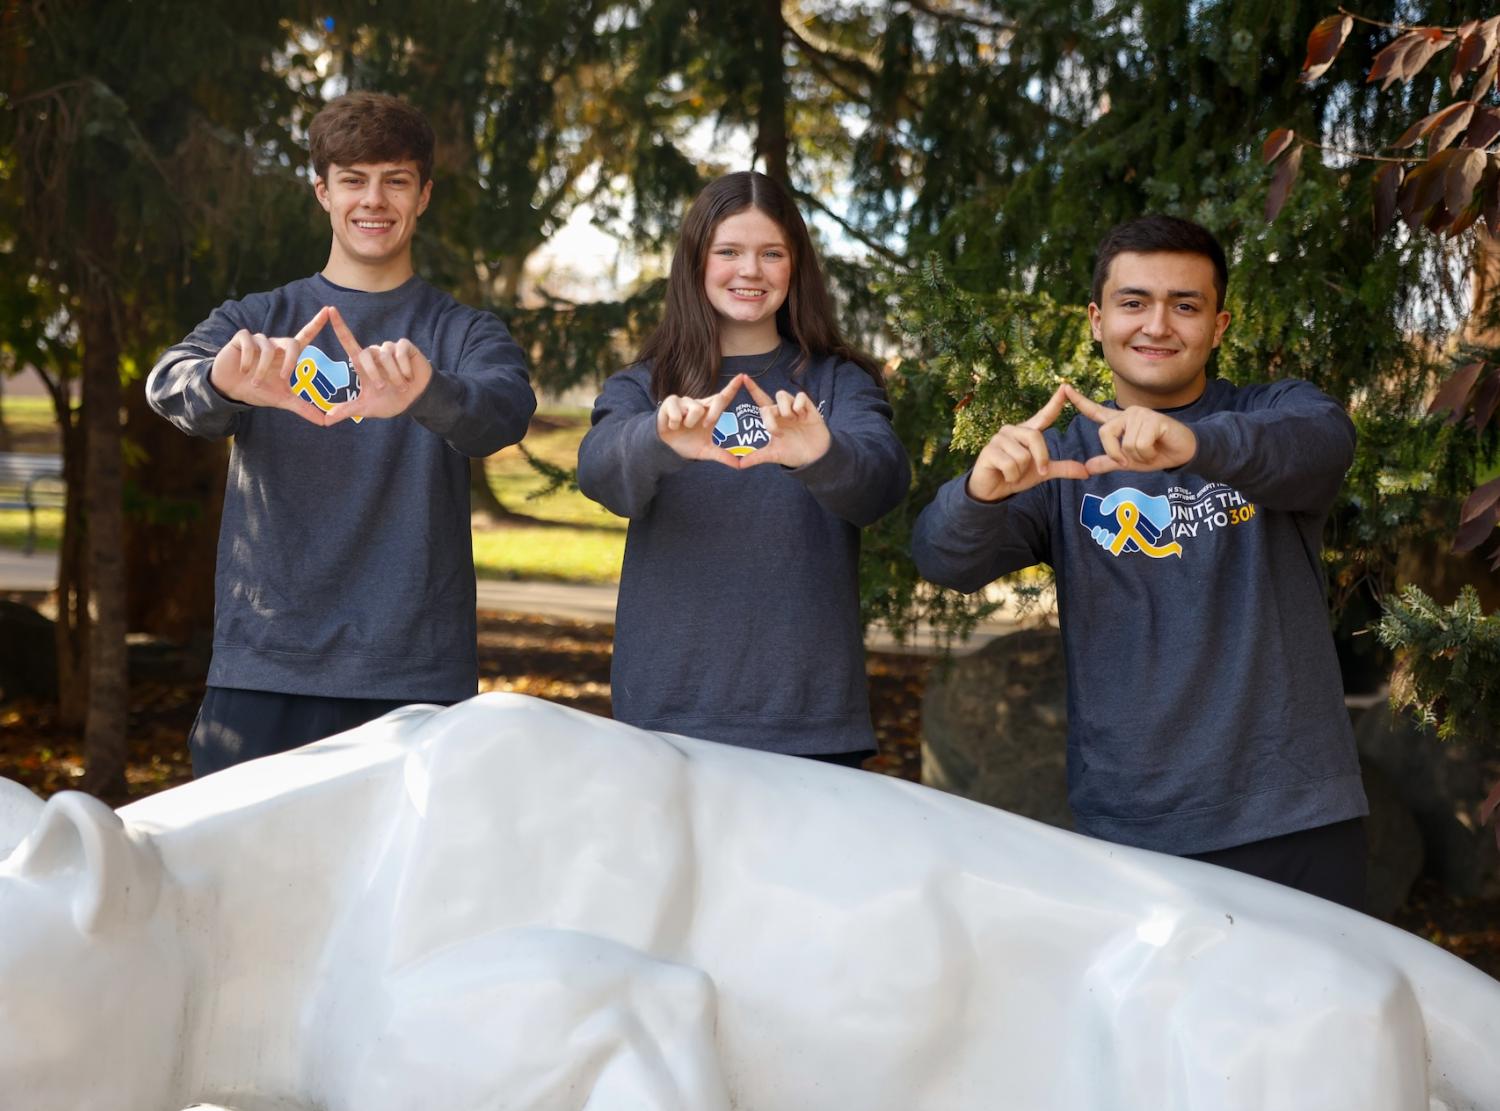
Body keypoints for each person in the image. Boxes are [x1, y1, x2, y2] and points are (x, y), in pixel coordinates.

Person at [911, 215, 1369, 909]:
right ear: (1097, 320)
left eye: (1185, 305)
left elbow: (1321, 443)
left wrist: (1191, 443)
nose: (1158, 324)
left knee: (1322, 1020)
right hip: (1135, 830)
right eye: (1134, 302)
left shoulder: (1273, 415)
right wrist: (977, 494)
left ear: (1218, 326)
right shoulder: (1061, 461)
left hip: (1295, 815)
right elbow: (942, 559)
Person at [147, 92, 535, 776]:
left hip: (413, 679)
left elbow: (503, 411)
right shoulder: (262, 318)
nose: (374, 199)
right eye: (354, 179)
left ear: (424, 196)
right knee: (246, 879)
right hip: (264, 667)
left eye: (396, 180)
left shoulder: (463, 332)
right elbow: (168, 381)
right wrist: (222, 384)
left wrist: (426, 392)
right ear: (323, 191)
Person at [576, 171, 909, 767]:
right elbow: (600, 473)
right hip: (666, 715)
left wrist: (820, 454)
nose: (749, 271)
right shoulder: (645, 388)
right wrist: (658, 438)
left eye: (770, 253)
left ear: (795, 267)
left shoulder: (838, 382)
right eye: (728, 251)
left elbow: (881, 485)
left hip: (809, 719)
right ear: (696, 263)